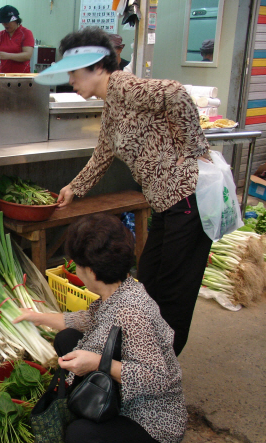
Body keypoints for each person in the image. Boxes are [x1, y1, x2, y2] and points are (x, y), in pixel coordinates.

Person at [35, 27, 213, 356]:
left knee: (173, 290)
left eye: (74, 72)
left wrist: (192, 148)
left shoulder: (125, 87)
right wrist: (74, 188)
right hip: (165, 205)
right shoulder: (112, 104)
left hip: (187, 200)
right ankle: (139, 356)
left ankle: (158, 368)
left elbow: (176, 93)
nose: (70, 81)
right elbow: (103, 153)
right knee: (149, 281)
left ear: (96, 66)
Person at [15, 213, 186, 443]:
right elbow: (87, 319)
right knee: (67, 339)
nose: (76, 270)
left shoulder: (132, 312)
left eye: (78, 265)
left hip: (150, 418)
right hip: (124, 393)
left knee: (80, 438)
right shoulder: (119, 289)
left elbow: (156, 378)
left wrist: (97, 364)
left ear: (92, 272)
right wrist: (38, 317)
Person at [0, 5, 35, 74]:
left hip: (21, 76)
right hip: (3, 76)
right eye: (3, 22)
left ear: (16, 20)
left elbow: (27, 55)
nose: (5, 24)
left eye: (7, 22)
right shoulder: (0, 35)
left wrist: (8, 56)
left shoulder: (26, 33)